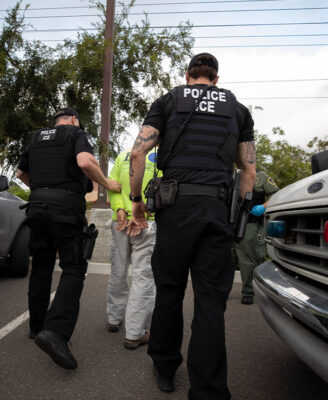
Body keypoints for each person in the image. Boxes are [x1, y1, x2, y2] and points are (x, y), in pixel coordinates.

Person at [127, 53, 256, 399]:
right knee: (210, 302)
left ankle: (166, 368)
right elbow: (249, 170)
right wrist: (241, 214)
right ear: (216, 78)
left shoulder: (168, 101)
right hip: (217, 210)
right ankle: (209, 390)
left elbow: (137, 153)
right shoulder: (238, 110)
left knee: (169, 291)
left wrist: (137, 200)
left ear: (188, 76)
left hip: (175, 208)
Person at [16, 107, 121, 370]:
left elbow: (21, 174)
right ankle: (55, 332)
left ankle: (36, 327)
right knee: (73, 268)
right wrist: (107, 184)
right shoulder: (76, 133)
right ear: (74, 119)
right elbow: (85, 163)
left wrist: (42, 190)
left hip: (36, 207)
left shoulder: (37, 137)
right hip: (66, 210)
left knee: (41, 266)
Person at [106, 148, 161, 350]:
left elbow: (112, 184)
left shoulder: (124, 155)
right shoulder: (163, 157)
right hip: (146, 223)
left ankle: (114, 318)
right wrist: (143, 215)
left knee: (118, 271)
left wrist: (119, 208)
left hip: (119, 222)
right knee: (143, 276)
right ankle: (134, 334)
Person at [233, 170, 279, 305]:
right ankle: (222, 290)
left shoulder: (261, 176)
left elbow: (276, 195)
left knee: (249, 259)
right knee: (226, 258)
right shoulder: (233, 175)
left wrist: (263, 207)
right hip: (229, 223)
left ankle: (248, 291)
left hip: (250, 224)